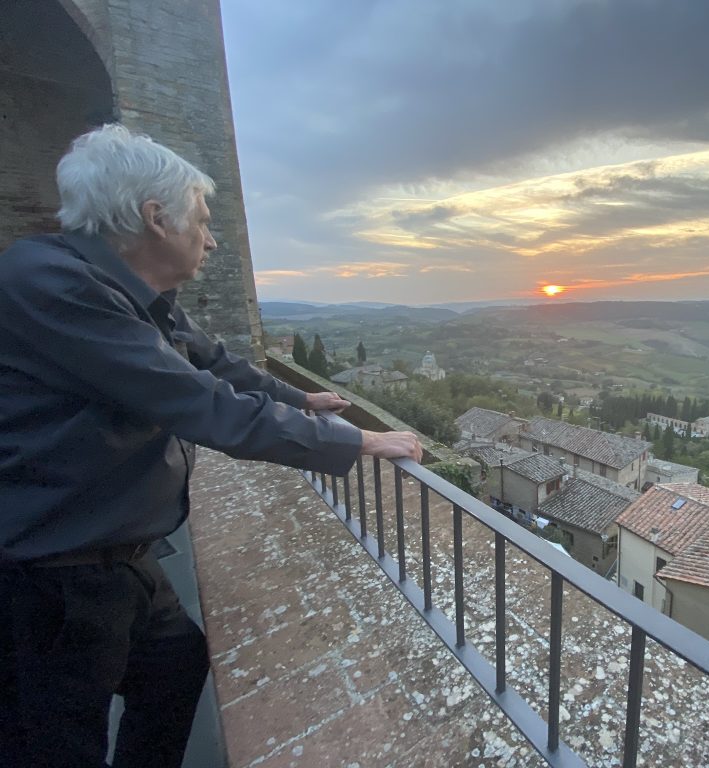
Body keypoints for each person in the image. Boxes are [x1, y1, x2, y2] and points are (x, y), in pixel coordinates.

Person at [0, 124, 423, 768]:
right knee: (58, 742)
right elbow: (203, 404)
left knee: (174, 668)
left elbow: (212, 361)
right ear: (155, 217)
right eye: (202, 219)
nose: (212, 236)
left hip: (116, 557)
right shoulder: (53, 284)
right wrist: (357, 438)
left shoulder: (129, 291)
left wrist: (300, 399)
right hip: (50, 572)